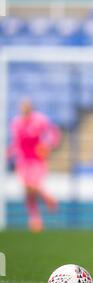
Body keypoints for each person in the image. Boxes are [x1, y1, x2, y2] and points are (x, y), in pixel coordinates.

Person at [8, 99, 61, 233]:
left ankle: (36, 218)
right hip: (23, 160)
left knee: (30, 187)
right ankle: (42, 206)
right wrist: (9, 152)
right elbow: (16, 143)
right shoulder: (16, 123)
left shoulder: (40, 120)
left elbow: (54, 133)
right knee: (27, 190)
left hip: (37, 160)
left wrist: (46, 146)